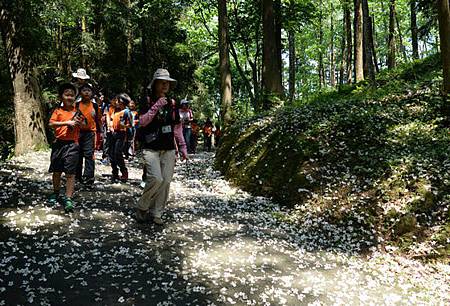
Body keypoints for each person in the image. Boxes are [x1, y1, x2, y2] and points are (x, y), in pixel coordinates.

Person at [135, 68, 188, 225]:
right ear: (155, 84)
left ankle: (157, 213)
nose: (165, 85)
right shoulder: (147, 100)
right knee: (156, 178)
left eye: (168, 83)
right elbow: (142, 122)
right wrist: (156, 106)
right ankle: (143, 206)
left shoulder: (172, 103)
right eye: (162, 82)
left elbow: (177, 127)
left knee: (166, 181)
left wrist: (183, 147)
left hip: (169, 148)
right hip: (150, 147)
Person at [48, 83, 85, 212]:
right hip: (59, 144)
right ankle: (56, 192)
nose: (69, 97)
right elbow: (51, 124)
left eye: (72, 95)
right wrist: (66, 122)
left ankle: (68, 198)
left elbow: (84, 124)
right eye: (66, 95)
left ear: (75, 97)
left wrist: (79, 123)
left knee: (70, 173)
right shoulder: (58, 111)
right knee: (56, 171)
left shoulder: (77, 111)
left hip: (72, 145)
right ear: (61, 97)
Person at [75, 83, 102, 185]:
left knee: (89, 155)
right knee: (78, 154)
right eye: (84, 90)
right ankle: (77, 176)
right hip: (78, 133)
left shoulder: (95, 106)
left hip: (90, 133)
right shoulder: (76, 105)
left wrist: (101, 132)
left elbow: (98, 120)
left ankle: (89, 177)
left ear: (92, 93)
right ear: (80, 93)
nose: (86, 92)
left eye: (89, 90)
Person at [110, 94, 132, 182]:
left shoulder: (127, 112)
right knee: (111, 154)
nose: (116, 102)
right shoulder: (116, 111)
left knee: (117, 153)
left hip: (121, 134)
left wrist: (124, 126)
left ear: (121, 102)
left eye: (117, 101)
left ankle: (124, 171)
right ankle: (115, 172)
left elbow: (131, 124)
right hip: (113, 134)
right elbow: (112, 120)